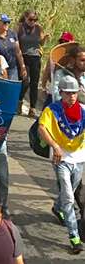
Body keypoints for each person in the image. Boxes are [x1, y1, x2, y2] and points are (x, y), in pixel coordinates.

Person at [37, 73, 85, 254]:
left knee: (69, 192)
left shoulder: (83, 110)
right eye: (67, 93)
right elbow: (42, 128)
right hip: (61, 158)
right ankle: (74, 237)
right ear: (61, 92)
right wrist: (55, 146)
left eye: (74, 93)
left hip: (79, 158)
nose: (71, 96)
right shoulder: (52, 110)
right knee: (69, 197)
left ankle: (57, 208)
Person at [17, 10, 46, 117]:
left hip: (35, 57)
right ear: (25, 18)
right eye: (30, 19)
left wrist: (45, 38)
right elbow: (16, 43)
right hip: (24, 56)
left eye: (35, 20)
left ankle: (32, 108)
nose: (32, 22)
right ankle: (19, 101)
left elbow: (41, 42)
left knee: (34, 83)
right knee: (25, 82)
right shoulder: (20, 28)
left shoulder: (38, 28)